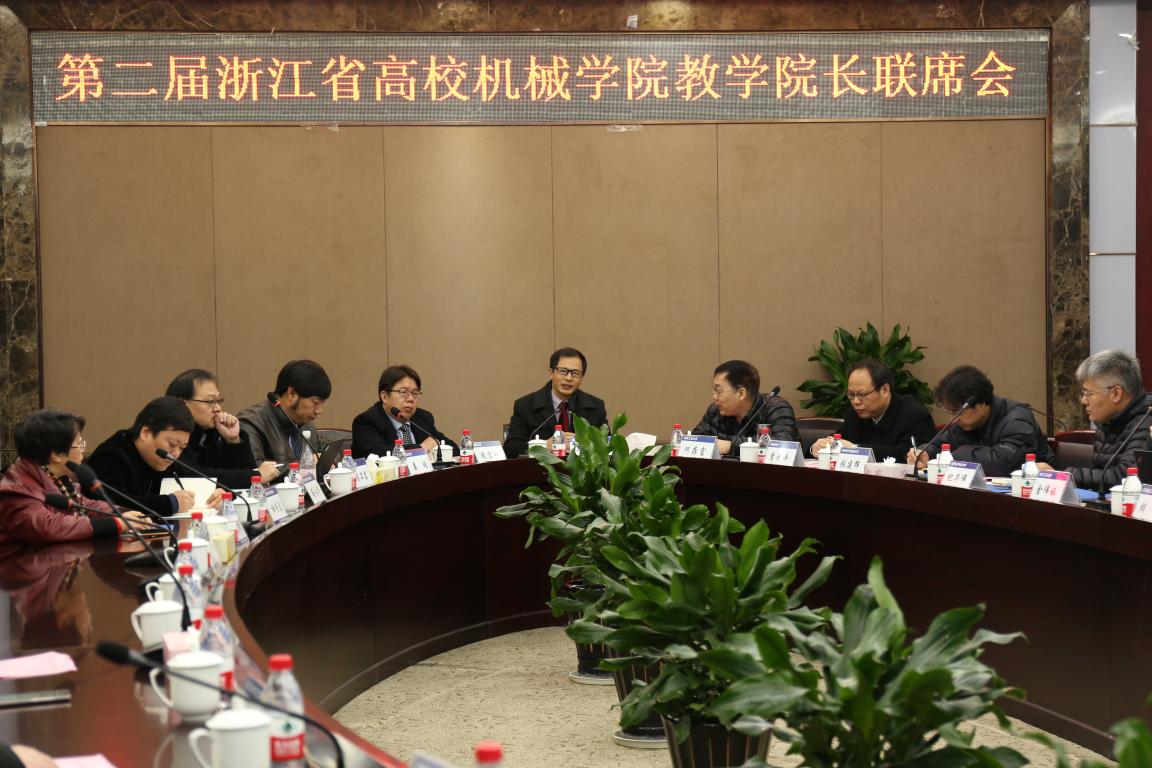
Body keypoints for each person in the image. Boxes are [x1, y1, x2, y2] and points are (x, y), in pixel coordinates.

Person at [0, 409, 148, 549]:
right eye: (78, 443)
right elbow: (48, 527)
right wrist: (116, 524)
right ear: (56, 455)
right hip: (22, 565)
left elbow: (87, 505)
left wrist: (123, 513)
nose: (83, 449)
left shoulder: (55, 477)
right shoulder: (17, 490)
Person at [905, 365, 1053, 476]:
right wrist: (926, 453)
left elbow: (1002, 463)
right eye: (951, 412)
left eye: (958, 412)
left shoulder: (1017, 418)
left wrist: (953, 457)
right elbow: (941, 445)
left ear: (981, 403)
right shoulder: (965, 423)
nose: (954, 420)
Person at [1038, 349, 1151, 490]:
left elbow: (1126, 478)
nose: (1083, 400)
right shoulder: (1108, 421)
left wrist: (1061, 475)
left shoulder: (1147, 420)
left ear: (1116, 393)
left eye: (1089, 393)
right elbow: (1103, 475)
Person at [86, 397, 200, 516]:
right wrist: (168, 503)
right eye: (172, 444)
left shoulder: (162, 458)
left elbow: (193, 474)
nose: (176, 453)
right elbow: (112, 504)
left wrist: (211, 491)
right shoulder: (110, 456)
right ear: (145, 433)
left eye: (182, 448)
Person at [166, 369, 278, 488]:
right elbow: (193, 477)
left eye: (218, 401)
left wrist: (233, 440)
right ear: (183, 404)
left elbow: (239, 481)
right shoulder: (171, 435)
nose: (218, 408)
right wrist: (254, 476)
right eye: (210, 401)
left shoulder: (210, 433)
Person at [809, 359, 936, 462]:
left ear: (884, 390)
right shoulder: (857, 413)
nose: (856, 401)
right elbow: (838, 440)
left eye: (862, 394)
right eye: (851, 395)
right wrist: (818, 447)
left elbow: (906, 454)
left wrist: (854, 449)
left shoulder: (915, 416)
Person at [503, 347, 607, 458]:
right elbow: (510, 449)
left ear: (582, 378)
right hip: (538, 468)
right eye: (563, 371)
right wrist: (544, 446)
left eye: (576, 373)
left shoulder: (596, 407)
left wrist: (582, 444)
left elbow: (607, 447)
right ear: (551, 373)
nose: (569, 378)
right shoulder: (525, 405)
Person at [238, 360, 330, 470]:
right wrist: (305, 466)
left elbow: (323, 452)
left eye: (322, 403)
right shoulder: (252, 423)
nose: (319, 410)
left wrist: (327, 461)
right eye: (315, 402)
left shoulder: (306, 424)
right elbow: (256, 471)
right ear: (291, 394)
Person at [352, 365, 458, 459]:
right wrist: (421, 448)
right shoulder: (367, 421)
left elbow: (453, 448)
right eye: (403, 392)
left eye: (415, 393)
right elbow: (378, 455)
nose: (411, 399)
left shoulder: (422, 418)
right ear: (384, 396)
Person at [693, 360, 798, 455]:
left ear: (741, 394)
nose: (714, 397)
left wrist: (731, 446)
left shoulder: (776, 408)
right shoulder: (715, 411)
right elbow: (694, 440)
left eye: (719, 391)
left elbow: (782, 445)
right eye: (714, 390)